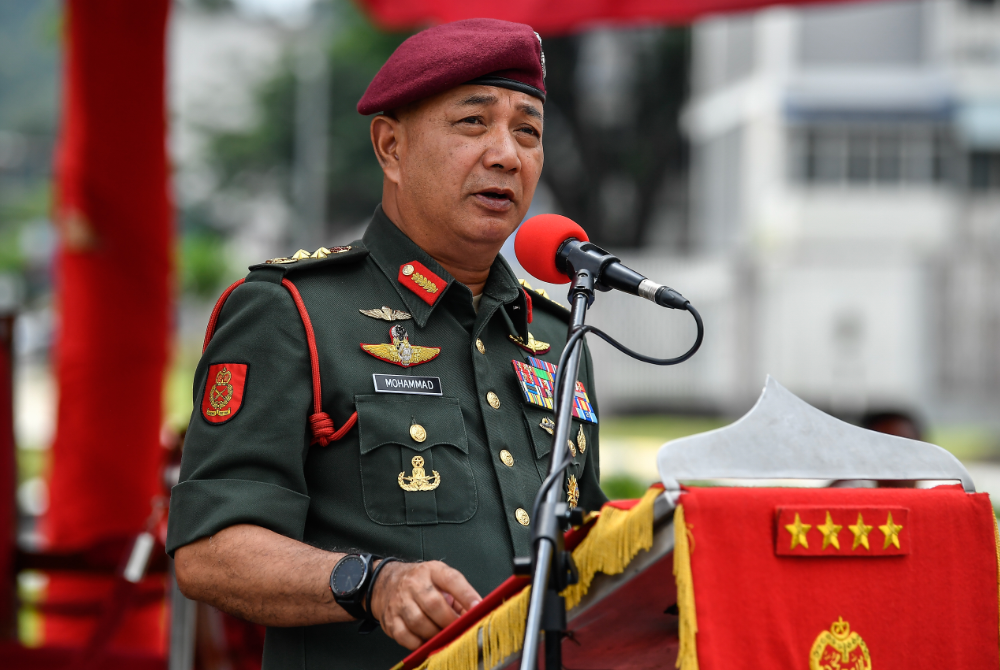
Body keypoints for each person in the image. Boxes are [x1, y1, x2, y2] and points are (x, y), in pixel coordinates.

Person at [166, 18, 607, 670]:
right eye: (472, 123)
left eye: (528, 131)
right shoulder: (294, 313)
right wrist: (371, 584)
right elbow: (210, 551)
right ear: (391, 147)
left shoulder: (553, 336)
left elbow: (594, 543)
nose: (507, 155)